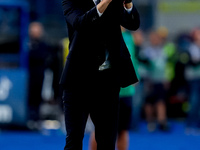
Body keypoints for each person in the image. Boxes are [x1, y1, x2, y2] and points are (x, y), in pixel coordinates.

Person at [60, 0, 140, 150]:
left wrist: (128, 3)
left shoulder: (115, 3)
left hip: (108, 81)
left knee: (107, 140)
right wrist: (105, 2)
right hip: (77, 81)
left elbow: (133, 24)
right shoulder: (71, 1)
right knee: (74, 139)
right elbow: (80, 24)